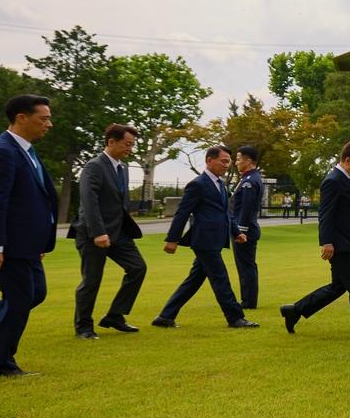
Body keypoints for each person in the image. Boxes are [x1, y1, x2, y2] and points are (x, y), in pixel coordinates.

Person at [280, 141, 350, 337]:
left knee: (337, 287)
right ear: (348, 160)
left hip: (347, 241)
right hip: (341, 245)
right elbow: (326, 215)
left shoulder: (348, 179)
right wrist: (326, 242)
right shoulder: (333, 181)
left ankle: (295, 310)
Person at [152, 146, 258, 329]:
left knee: (193, 280)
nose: (227, 165)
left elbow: (226, 213)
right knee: (220, 278)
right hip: (204, 241)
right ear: (209, 160)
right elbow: (182, 213)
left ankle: (165, 316)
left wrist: (237, 232)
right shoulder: (198, 184)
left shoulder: (220, 185)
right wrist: (172, 239)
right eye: (223, 161)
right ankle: (235, 318)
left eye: (229, 162)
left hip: (216, 239)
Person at [0, 95, 58, 377]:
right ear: (22, 117)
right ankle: (1, 362)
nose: (49, 124)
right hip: (10, 246)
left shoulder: (28, 151)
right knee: (19, 300)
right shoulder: (3, 150)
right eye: (43, 118)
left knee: (35, 294)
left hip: (30, 245)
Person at [70, 123, 147, 338]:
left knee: (138, 268)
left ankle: (115, 315)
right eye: (127, 144)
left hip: (119, 233)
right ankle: (83, 327)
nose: (130, 149)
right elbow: (89, 201)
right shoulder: (94, 166)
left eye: (132, 145)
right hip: (94, 233)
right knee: (92, 280)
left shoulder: (122, 168)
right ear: (111, 142)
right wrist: (98, 232)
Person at [231, 145, 264, 309]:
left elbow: (246, 208)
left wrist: (240, 231)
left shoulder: (249, 181)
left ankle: (248, 301)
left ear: (248, 160)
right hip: (246, 229)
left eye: (238, 159)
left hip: (245, 230)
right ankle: (248, 299)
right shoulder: (249, 178)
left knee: (246, 266)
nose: (236, 162)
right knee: (246, 265)